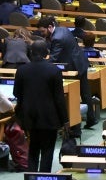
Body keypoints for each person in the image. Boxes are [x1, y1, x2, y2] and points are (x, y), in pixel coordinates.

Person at [12, 41, 67, 172]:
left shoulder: (21, 70)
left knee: (33, 150)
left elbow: (16, 93)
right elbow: (59, 99)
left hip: (29, 117)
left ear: (31, 53)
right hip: (49, 118)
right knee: (47, 152)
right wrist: (65, 120)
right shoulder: (54, 71)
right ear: (46, 53)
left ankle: (31, 176)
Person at [38, 15, 96, 128]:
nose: (41, 34)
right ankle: (91, 119)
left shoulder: (57, 38)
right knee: (85, 94)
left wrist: (40, 66)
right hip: (80, 62)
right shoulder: (63, 29)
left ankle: (75, 127)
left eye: (42, 31)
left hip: (73, 67)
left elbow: (54, 58)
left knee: (74, 95)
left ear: (50, 27)